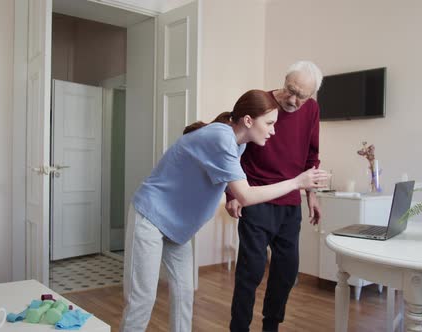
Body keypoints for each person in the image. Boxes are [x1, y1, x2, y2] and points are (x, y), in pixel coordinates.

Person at [119, 89, 329, 332]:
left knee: (184, 294)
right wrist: (297, 183)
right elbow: (247, 195)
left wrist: (236, 195)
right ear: (248, 121)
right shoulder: (221, 138)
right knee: (142, 299)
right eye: (270, 123)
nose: (273, 131)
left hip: (178, 229)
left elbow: (235, 187)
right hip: (151, 218)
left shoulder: (237, 144)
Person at [228, 61, 324, 332]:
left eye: (301, 96)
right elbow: (232, 146)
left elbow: (311, 156)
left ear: (312, 95)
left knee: (286, 272)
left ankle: (271, 326)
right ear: (284, 80)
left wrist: (311, 195)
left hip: (289, 204)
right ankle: (239, 328)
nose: (293, 100)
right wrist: (231, 193)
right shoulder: (260, 102)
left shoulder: (312, 110)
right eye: (290, 90)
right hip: (255, 198)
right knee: (252, 271)